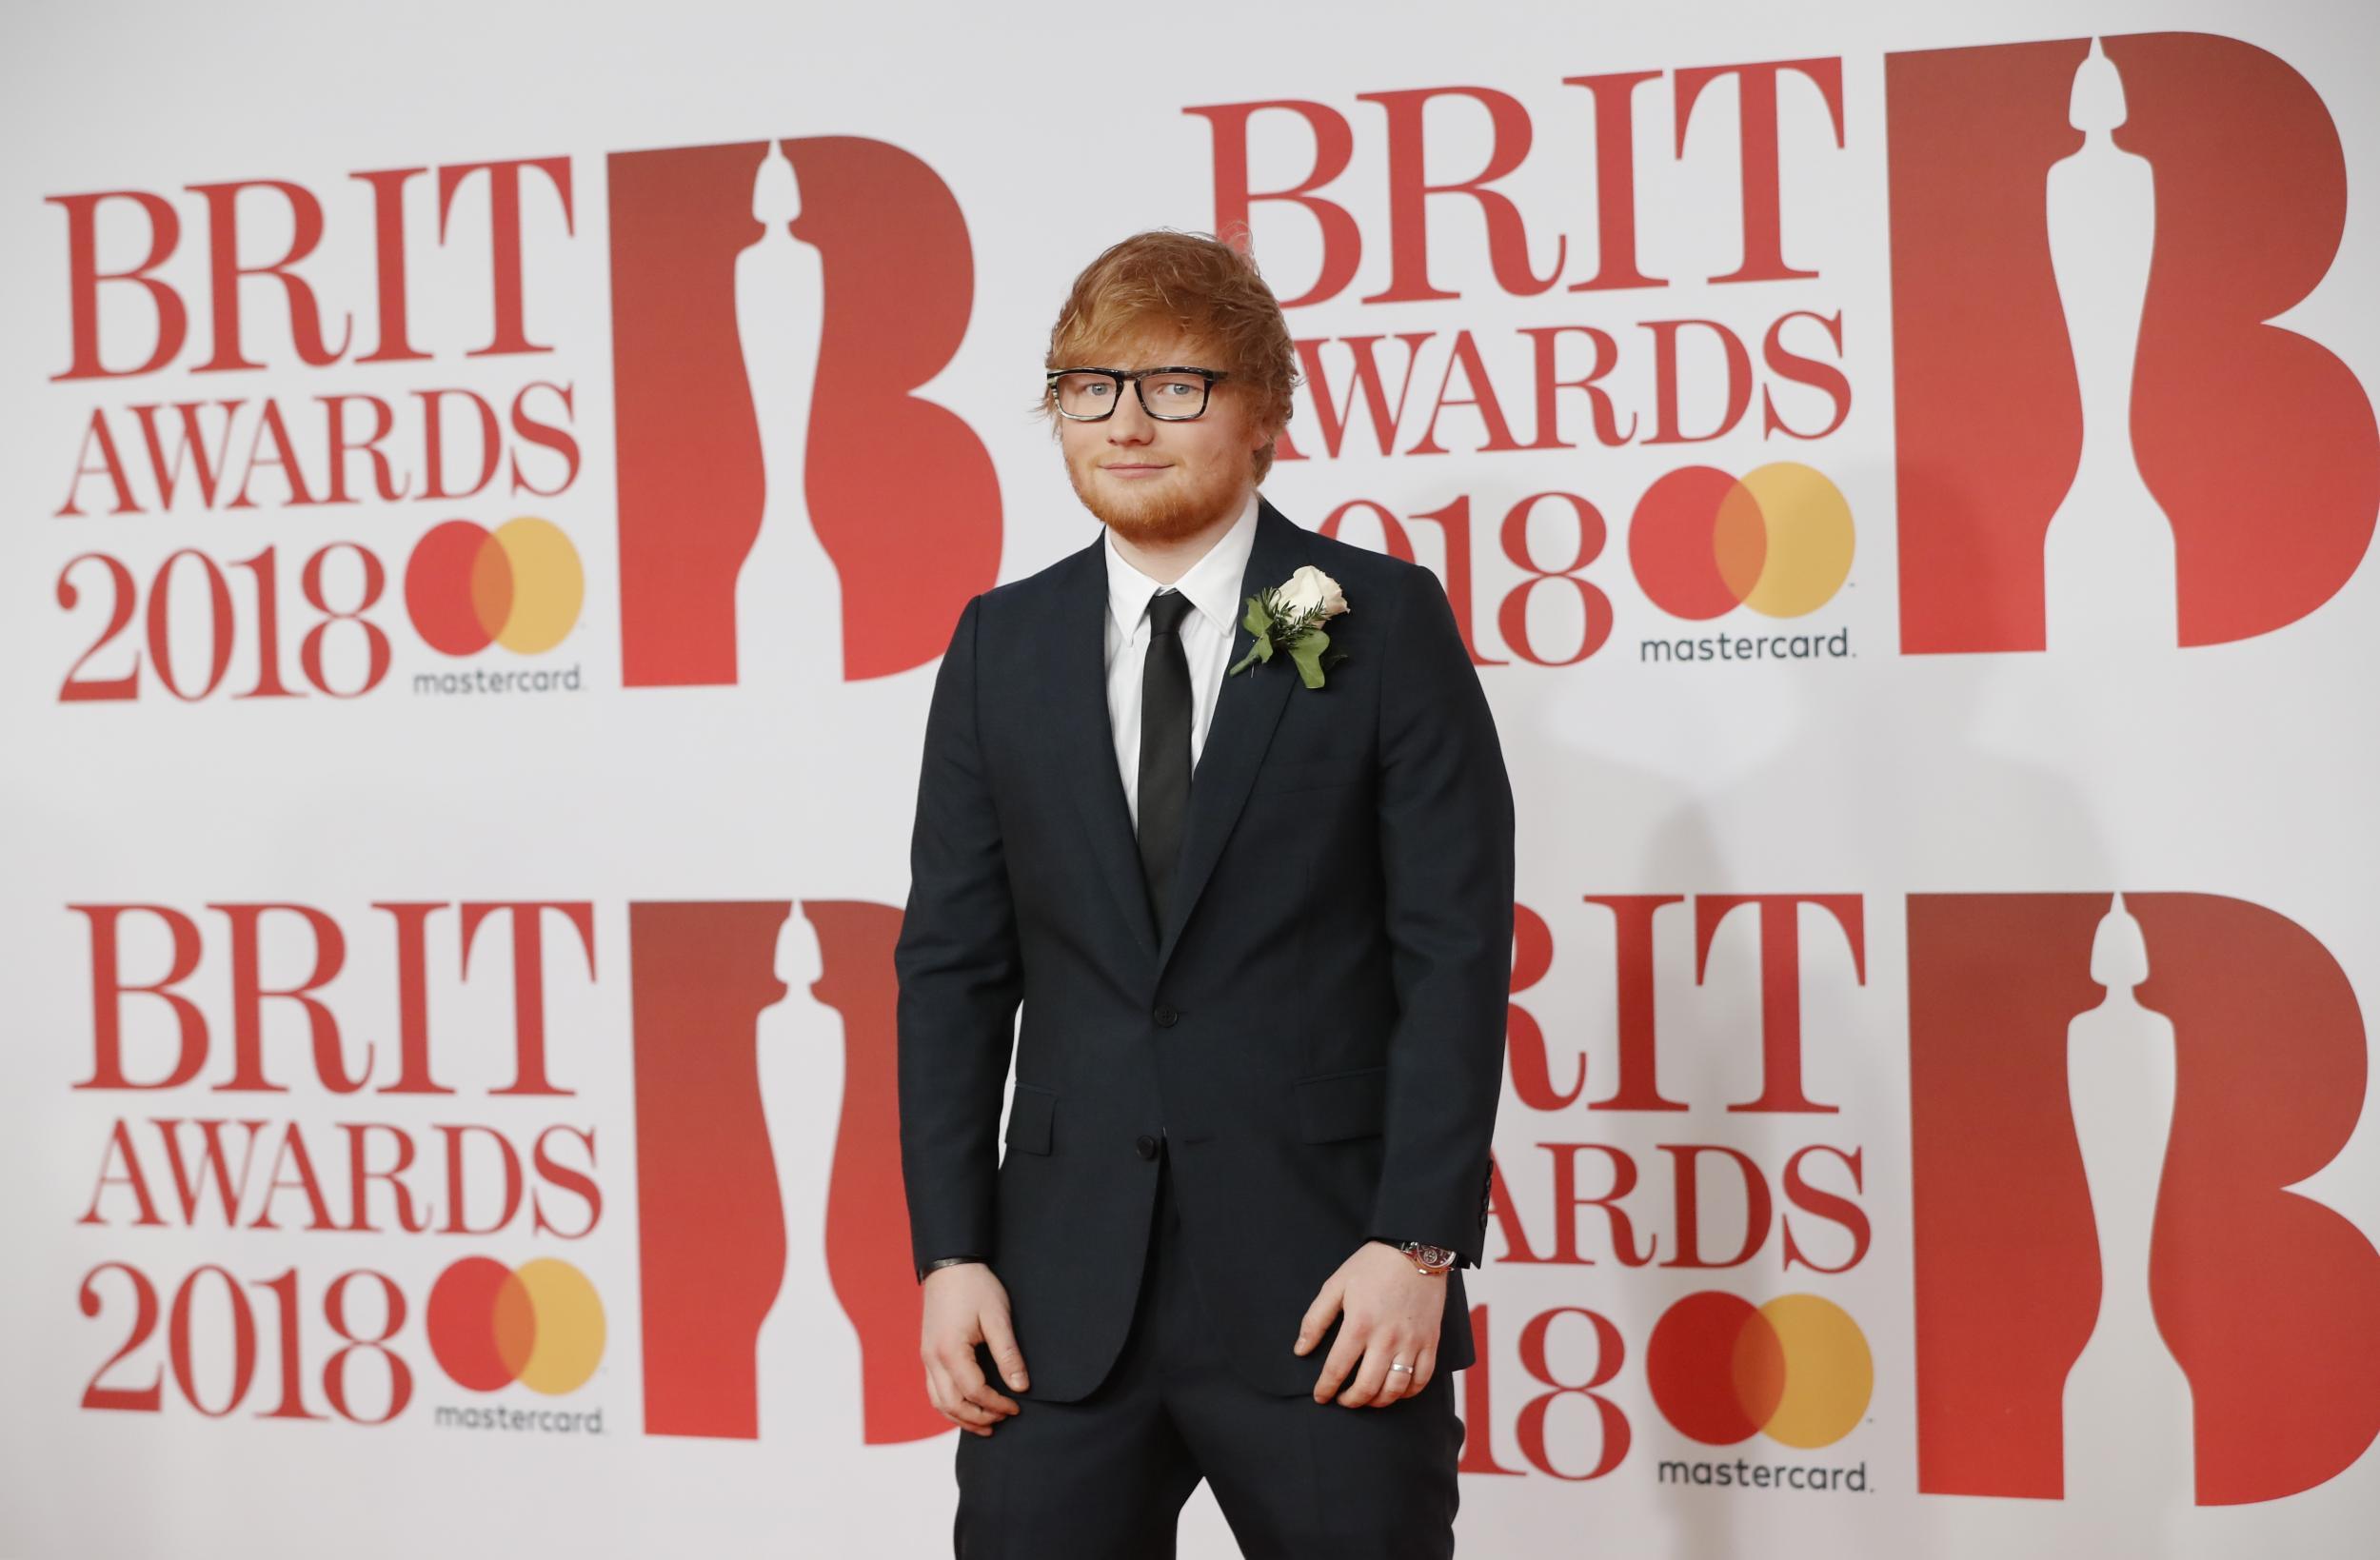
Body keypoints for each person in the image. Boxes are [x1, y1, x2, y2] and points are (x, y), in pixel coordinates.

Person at [894, 227, 1515, 1557]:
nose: (1127, 422)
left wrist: (1417, 1244)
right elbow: (951, 968)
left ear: (1268, 415)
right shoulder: (999, 646)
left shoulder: (1379, 619)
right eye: (1089, 386)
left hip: (1328, 1292)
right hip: (1058, 1308)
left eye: (1178, 385)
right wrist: (950, 1257)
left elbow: (1454, 955)